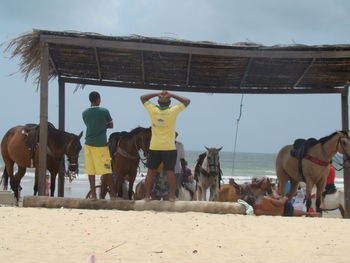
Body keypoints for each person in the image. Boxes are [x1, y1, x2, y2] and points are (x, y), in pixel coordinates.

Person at [140, 90, 190, 201]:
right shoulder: (173, 111)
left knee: (151, 172)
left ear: (158, 102)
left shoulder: (153, 110)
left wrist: (156, 93)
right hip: (169, 147)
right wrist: (172, 94)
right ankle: (172, 196)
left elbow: (142, 98)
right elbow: (187, 101)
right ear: (169, 103)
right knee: (170, 172)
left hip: (154, 146)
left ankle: (147, 196)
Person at [82, 91, 117, 200]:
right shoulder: (104, 111)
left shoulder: (84, 113)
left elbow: (90, 125)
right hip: (101, 145)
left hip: (88, 144)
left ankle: (93, 195)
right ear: (98, 99)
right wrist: (103, 125)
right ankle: (113, 195)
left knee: (90, 171)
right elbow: (111, 125)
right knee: (107, 170)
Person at [244, 193, 321, 217]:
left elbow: (270, 213)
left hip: (283, 214)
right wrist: (285, 198)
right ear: (254, 199)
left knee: (294, 212)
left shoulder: (257, 212)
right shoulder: (265, 199)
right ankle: (309, 213)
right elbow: (280, 203)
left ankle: (309, 213)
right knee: (295, 210)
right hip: (284, 207)